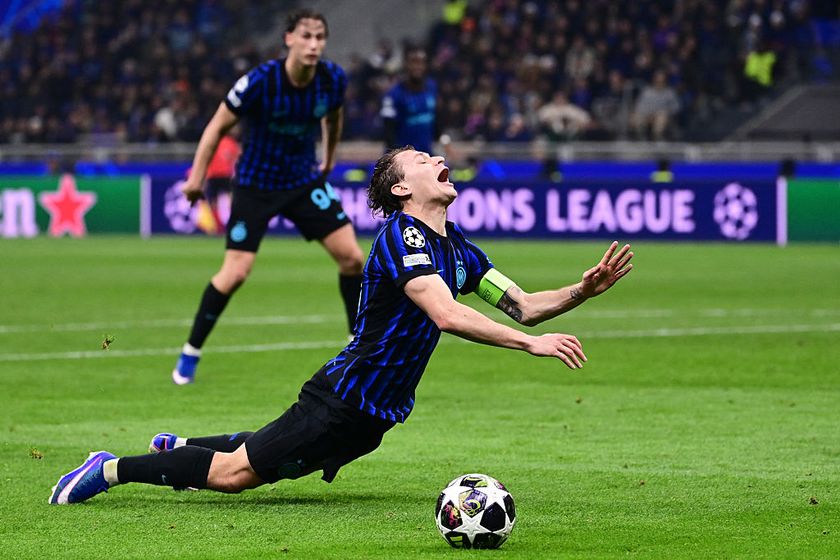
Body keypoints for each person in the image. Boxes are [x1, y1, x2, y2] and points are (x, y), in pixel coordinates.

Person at [48, 147, 634, 505]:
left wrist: (581, 290)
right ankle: (110, 468)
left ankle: (177, 448)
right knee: (233, 477)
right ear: (403, 188)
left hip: (373, 418)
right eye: (423, 159)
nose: (438, 160)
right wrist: (531, 345)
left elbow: (525, 304)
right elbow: (447, 314)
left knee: (258, 461)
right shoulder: (404, 238)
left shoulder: (459, 251)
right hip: (342, 398)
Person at [171, 10, 365, 385]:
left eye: (320, 37)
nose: (314, 45)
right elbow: (216, 127)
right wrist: (196, 178)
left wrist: (328, 158)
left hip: (302, 181)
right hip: (255, 185)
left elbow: (334, 118)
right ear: (288, 38)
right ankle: (190, 351)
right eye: (306, 36)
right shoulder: (260, 82)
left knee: (352, 257)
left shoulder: (332, 79)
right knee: (236, 273)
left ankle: (357, 343)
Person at [381, 46, 438, 155]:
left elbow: (435, 119)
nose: (418, 67)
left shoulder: (431, 87)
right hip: (404, 159)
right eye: (414, 62)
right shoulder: (393, 95)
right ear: (406, 64)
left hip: (426, 155)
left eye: (421, 62)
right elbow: (388, 132)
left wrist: (444, 140)